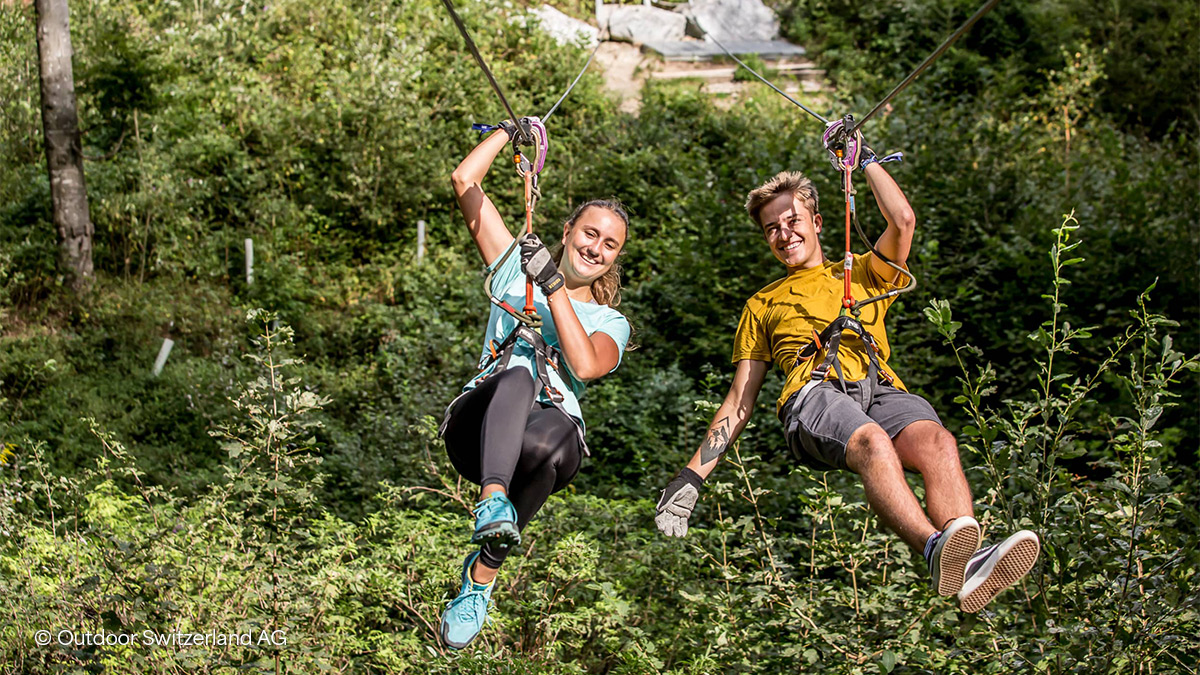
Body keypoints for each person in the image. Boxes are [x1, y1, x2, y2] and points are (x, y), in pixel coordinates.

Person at [654, 145, 1040, 614]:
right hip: (812, 394)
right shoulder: (762, 304)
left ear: (817, 223)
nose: (783, 233)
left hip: (879, 385)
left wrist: (863, 160)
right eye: (771, 228)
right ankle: (935, 548)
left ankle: (970, 562)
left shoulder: (859, 273)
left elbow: (903, 220)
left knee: (938, 442)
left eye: (792, 220)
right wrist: (692, 476)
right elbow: (739, 401)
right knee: (873, 443)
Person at [438, 121, 632, 649]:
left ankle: (482, 573)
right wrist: (506, 133)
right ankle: (493, 499)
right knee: (519, 369)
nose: (597, 248)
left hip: (543, 439)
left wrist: (553, 289)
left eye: (609, 244)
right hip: (479, 427)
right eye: (590, 233)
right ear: (568, 230)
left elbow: (587, 367)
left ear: (615, 257)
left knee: (556, 441)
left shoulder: (610, 322)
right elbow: (464, 181)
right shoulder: (511, 270)